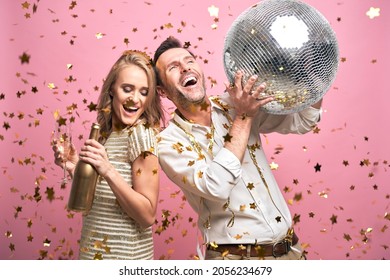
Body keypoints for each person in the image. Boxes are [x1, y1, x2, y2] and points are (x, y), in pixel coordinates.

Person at [153, 36, 323, 260]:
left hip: (291, 252)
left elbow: (303, 120)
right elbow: (217, 186)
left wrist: (315, 70)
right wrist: (244, 116)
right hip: (234, 261)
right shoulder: (166, 143)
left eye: (189, 61)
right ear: (162, 91)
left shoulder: (236, 103)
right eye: (173, 67)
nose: (185, 68)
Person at [53, 50, 164, 260]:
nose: (135, 99)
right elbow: (103, 200)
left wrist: (107, 170)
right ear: (112, 89)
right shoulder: (107, 134)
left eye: (143, 92)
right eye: (127, 89)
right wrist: (75, 167)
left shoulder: (141, 134)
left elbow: (147, 215)